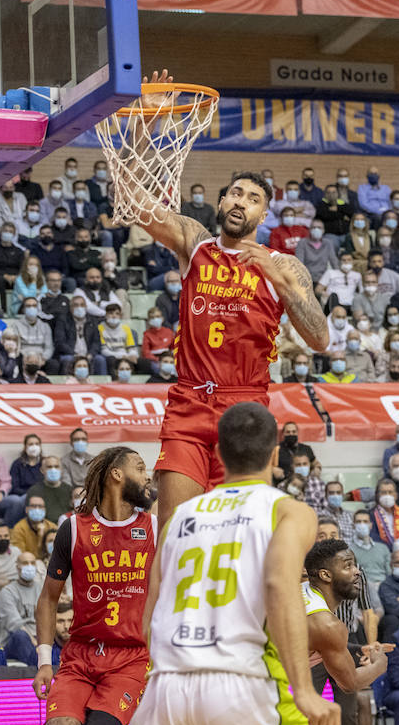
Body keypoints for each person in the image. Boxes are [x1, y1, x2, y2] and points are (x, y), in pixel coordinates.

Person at [126, 75, 329, 529]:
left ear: (264, 214)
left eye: (254, 198)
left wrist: (290, 289)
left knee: (237, 538)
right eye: (235, 192)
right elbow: (136, 201)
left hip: (246, 407)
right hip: (188, 402)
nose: (242, 201)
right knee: (174, 535)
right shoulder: (195, 243)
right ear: (221, 202)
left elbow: (319, 338)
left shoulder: (285, 265)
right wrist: (145, 120)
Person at [130, 403, 339, 725]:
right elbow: (279, 586)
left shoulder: (178, 518)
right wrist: (304, 691)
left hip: (165, 690)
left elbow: (148, 620)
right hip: (241, 684)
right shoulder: (288, 510)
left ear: (217, 454)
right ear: (275, 455)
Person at [34, 448, 158, 725]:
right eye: (140, 468)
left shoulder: (155, 529)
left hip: (130, 658)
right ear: (117, 474)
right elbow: (49, 599)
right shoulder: (73, 530)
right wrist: (44, 662)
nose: (147, 477)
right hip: (80, 657)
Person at [305, 539, 390, 725]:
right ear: (325, 575)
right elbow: (350, 682)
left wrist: (356, 648)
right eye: (348, 566)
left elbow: (314, 642)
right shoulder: (327, 624)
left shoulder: (301, 590)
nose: (357, 572)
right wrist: (380, 663)